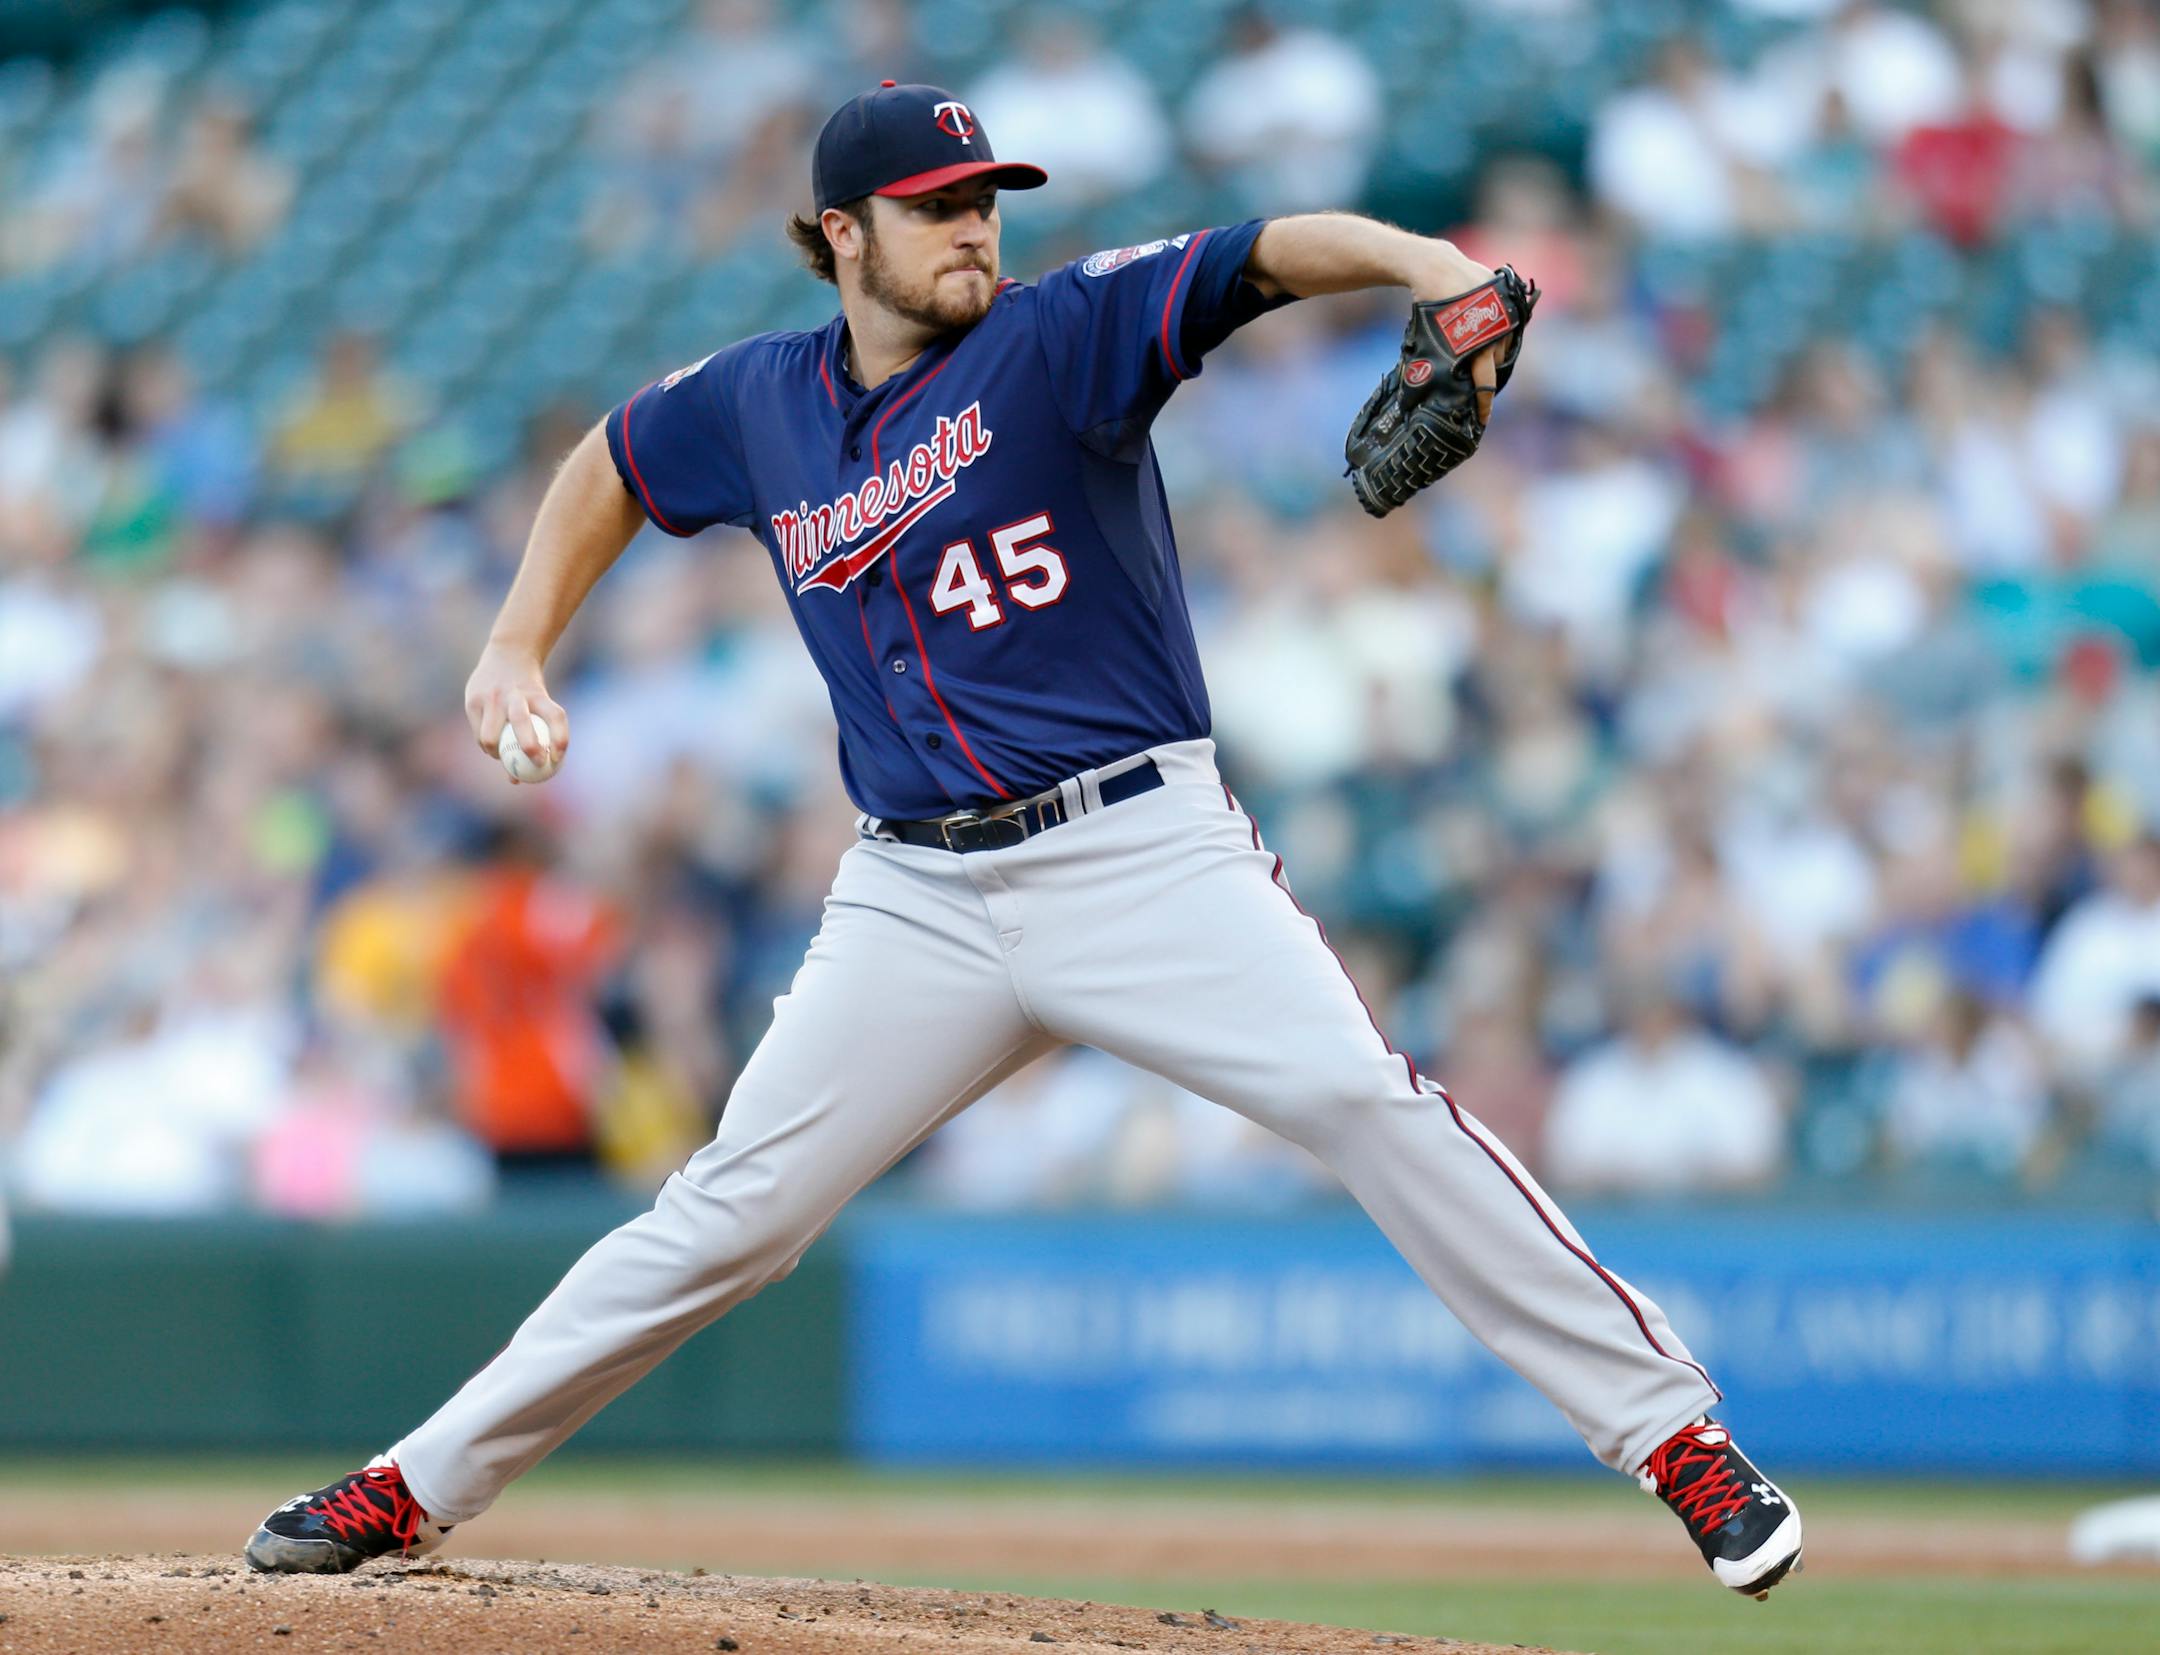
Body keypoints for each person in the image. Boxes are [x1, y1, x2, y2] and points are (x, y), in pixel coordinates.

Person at [244, 81, 1803, 1600]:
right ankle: (414, 1486)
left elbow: (1260, 253)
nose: (973, 229)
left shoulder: (1061, 339)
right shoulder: (758, 406)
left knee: (1359, 1098)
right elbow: (611, 463)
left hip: (1138, 849)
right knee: (731, 1213)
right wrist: (517, 643)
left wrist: (1431, 267)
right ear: (840, 235)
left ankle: (1681, 1442)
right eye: (936, 210)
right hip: (913, 892)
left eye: (986, 199)